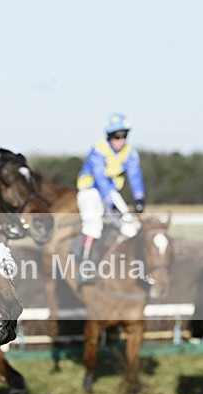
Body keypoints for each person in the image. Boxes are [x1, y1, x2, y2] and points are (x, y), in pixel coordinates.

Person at [75, 112, 146, 282]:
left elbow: (135, 176)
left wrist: (139, 199)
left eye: (124, 136)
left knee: (130, 226)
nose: (121, 140)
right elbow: (100, 179)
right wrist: (109, 202)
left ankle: (134, 269)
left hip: (110, 192)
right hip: (90, 191)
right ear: (109, 136)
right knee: (94, 225)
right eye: (116, 136)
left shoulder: (130, 153)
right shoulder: (98, 150)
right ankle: (86, 267)